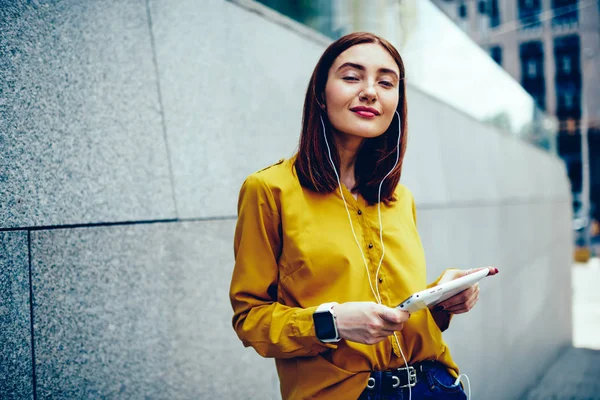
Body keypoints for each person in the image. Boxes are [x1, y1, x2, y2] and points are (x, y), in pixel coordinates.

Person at [229, 32, 498, 400]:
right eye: (352, 77)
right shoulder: (269, 190)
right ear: (321, 95)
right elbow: (250, 320)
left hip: (435, 386)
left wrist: (441, 301)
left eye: (386, 82)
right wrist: (333, 323)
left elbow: (396, 316)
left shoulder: (400, 199)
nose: (370, 91)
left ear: (397, 102)